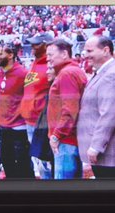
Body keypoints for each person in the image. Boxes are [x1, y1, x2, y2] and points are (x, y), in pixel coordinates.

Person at [77, 36, 115, 178]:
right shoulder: (103, 72)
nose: (85, 55)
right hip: (105, 154)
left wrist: (96, 146)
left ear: (106, 50)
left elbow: (109, 114)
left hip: (109, 154)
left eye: (90, 51)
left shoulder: (112, 75)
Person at [45, 39, 87, 180]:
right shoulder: (72, 70)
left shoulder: (67, 74)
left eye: (51, 54)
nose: (48, 58)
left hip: (66, 140)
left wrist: (57, 135)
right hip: (70, 138)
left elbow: (70, 109)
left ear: (64, 54)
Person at [0, 41, 31, 179]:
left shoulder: (25, 73)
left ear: (10, 55)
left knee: (23, 165)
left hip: (20, 127)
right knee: (7, 163)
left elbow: (32, 96)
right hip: (3, 126)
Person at [20, 33, 53, 179]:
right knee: (39, 161)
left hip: (43, 122)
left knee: (46, 161)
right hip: (30, 119)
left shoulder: (50, 65)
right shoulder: (35, 62)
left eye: (37, 44)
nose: (32, 47)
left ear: (46, 45)